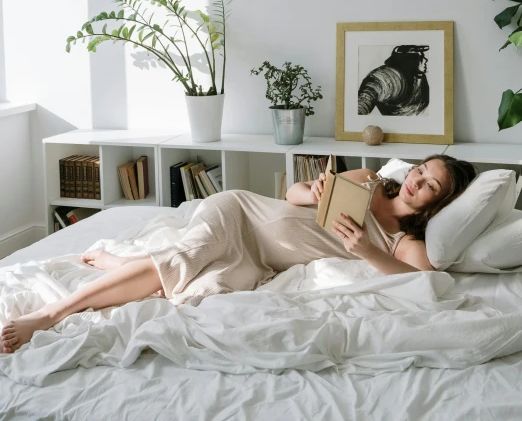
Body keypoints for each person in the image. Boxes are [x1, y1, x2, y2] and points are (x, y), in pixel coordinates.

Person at [1, 153, 476, 354]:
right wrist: (311, 191)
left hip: (262, 261)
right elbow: (290, 196)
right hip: (242, 214)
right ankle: (49, 314)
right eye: (420, 169)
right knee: (184, 260)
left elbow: (421, 281)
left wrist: (368, 250)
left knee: (201, 289)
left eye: (430, 183)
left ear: (438, 201)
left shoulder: (404, 241)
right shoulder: (367, 179)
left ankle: (128, 266)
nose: (417, 179)